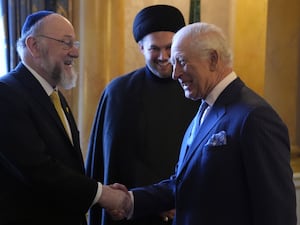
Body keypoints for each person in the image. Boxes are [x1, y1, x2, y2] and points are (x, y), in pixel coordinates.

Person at [113, 22, 297, 225]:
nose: (175, 74)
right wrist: (129, 200)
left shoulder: (254, 116)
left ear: (213, 59)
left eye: (181, 61)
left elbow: (277, 212)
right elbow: (185, 184)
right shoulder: (204, 108)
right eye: (174, 64)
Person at [0, 11, 130, 225]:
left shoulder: (53, 95)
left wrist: (98, 193)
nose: (76, 52)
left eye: (75, 43)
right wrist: (102, 195)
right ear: (33, 46)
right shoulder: (6, 94)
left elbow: (67, 166)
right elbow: (39, 170)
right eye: (66, 43)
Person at [85, 5, 199, 225]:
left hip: (186, 209)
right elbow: (112, 162)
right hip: (132, 214)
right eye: (154, 49)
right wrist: (151, 202)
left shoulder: (195, 89)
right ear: (140, 47)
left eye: (170, 48)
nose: (164, 57)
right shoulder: (118, 92)